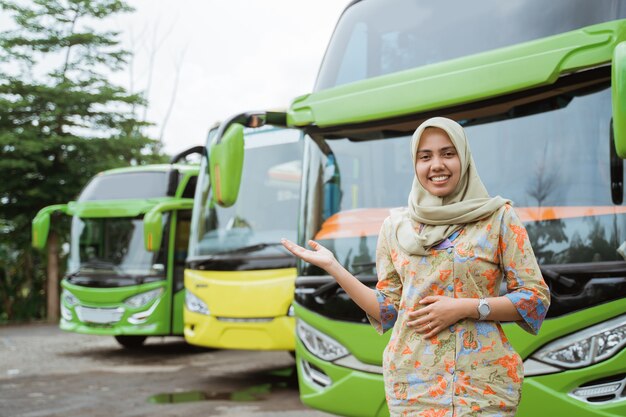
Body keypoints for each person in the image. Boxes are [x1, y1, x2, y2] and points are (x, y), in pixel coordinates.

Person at [281, 117, 550, 417]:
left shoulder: (498, 218)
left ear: (464, 157)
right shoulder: (395, 227)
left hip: (483, 386)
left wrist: (467, 308)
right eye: (426, 156)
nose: (437, 165)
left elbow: (535, 298)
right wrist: (334, 267)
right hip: (414, 388)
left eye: (448, 153)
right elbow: (386, 310)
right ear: (415, 163)